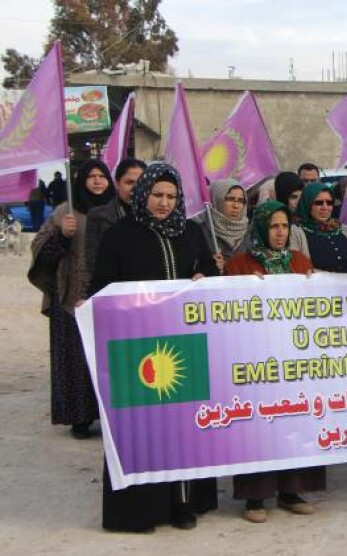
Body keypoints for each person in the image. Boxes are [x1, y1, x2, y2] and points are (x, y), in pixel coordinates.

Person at [89, 162, 219, 532]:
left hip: (185, 346)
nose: (164, 202)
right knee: (141, 430)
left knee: (184, 427)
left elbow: (209, 270)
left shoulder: (191, 232)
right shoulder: (120, 235)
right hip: (136, 348)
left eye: (171, 196)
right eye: (157, 195)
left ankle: (184, 504)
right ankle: (140, 512)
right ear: (143, 194)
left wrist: (204, 275)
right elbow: (101, 287)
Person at [226, 200, 327, 523]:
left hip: (295, 358)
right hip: (256, 359)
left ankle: (292, 491)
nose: (280, 233)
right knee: (258, 425)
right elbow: (225, 310)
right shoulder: (239, 265)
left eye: (285, 226)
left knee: (295, 421)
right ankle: (255, 498)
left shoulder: (299, 261)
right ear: (260, 228)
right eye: (273, 226)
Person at [28, 159, 116, 439]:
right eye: (91, 176)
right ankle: (79, 418)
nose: (97, 181)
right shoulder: (64, 213)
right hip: (71, 296)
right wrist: (63, 237)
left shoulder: (118, 212)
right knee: (76, 359)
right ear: (80, 181)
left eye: (102, 176)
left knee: (109, 359)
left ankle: (110, 417)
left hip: (108, 295)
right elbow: (41, 254)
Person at [84, 158, 146, 276]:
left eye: (141, 183)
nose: (135, 188)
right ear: (117, 183)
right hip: (114, 282)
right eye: (129, 182)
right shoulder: (98, 216)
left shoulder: (154, 215)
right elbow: (92, 261)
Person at [295, 181, 347, 273]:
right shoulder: (296, 231)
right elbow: (296, 265)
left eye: (329, 203)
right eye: (319, 203)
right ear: (307, 203)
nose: (325, 207)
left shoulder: (345, 230)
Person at [201, 179, 250, 266]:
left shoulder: (249, 232)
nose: (236, 206)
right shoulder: (201, 232)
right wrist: (208, 266)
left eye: (241, 201)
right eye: (230, 199)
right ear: (216, 200)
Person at [273, 171, 309, 255]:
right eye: (293, 197)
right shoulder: (276, 222)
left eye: (301, 197)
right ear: (283, 197)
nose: (299, 202)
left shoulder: (307, 220)